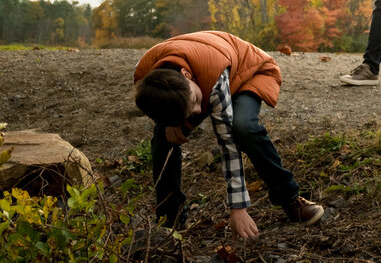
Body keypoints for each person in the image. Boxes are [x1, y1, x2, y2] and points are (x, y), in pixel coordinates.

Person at [133, 31, 325, 238]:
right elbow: (157, 107)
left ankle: (290, 197)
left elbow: (228, 145)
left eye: (196, 101)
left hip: (248, 72)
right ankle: (169, 218)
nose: (198, 111)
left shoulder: (213, 81)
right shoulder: (145, 77)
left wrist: (238, 209)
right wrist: (166, 123)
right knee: (162, 139)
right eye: (190, 111)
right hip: (205, 78)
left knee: (243, 127)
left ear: (185, 75)